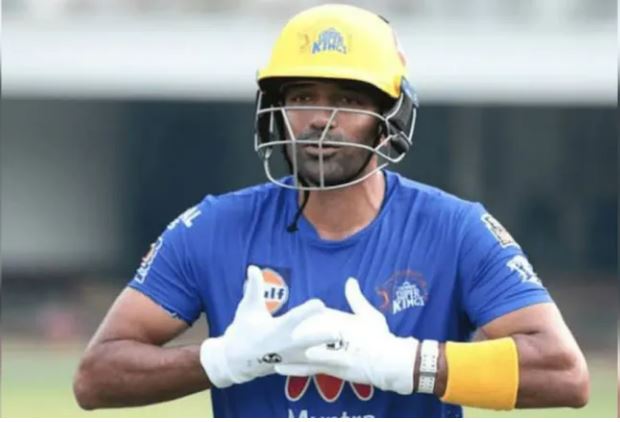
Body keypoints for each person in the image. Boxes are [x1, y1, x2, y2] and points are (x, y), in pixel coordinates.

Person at [73, 4, 589, 417]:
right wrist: (223, 360)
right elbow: (95, 378)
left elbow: (565, 375)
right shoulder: (212, 228)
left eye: (349, 99)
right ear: (276, 112)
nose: (321, 119)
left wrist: (409, 363)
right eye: (302, 97)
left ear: (389, 118)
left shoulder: (455, 229)